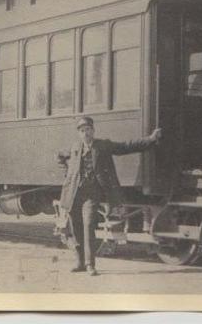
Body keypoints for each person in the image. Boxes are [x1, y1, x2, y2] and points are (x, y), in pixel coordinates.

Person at [58, 116, 162, 276]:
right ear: (79, 133)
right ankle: (79, 262)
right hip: (74, 194)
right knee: (76, 228)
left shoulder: (102, 145)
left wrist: (150, 139)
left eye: (88, 130)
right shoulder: (75, 147)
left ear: (93, 130)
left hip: (92, 194)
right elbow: (61, 157)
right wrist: (68, 177)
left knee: (88, 225)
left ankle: (90, 264)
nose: (85, 133)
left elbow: (126, 146)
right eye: (82, 131)